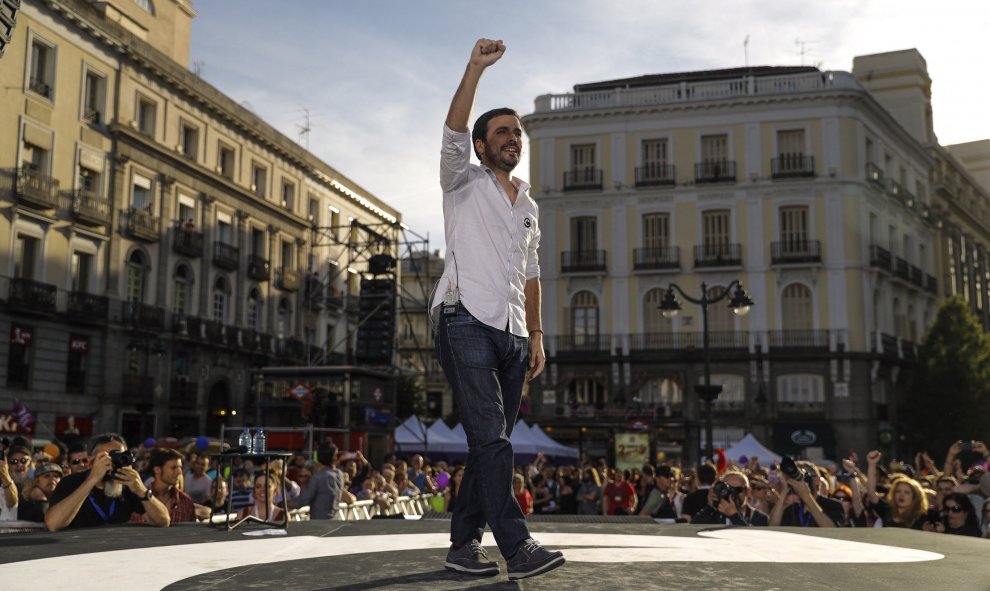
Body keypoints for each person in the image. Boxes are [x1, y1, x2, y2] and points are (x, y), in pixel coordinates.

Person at [433, 38, 561, 581]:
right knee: (491, 438)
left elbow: (533, 274)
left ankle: (463, 545)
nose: (515, 138)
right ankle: (518, 547)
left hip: (511, 333)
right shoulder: (460, 180)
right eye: (504, 131)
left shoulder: (529, 205)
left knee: (490, 445)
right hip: (464, 319)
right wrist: (473, 70)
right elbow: (454, 129)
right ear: (483, 146)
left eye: (519, 131)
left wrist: (535, 335)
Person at [45, 433, 169, 531]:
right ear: (91, 460)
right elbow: (53, 524)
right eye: (108, 457)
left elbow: (163, 521)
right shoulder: (72, 482)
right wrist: (92, 480)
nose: (114, 463)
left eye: (121, 457)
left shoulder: (126, 484)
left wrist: (142, 490)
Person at [135, 448, 196, 524]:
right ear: (157, 470)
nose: (179, 472)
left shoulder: (186, 501)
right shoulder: (138, 500)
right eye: (174, 468)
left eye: (180, 467)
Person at [692, 471, 769, 526]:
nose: (732, 494)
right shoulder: (713, 514)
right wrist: (709, 507)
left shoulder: (759, 518)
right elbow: (693, 529)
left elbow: (752, 540)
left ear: (748, 492)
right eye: (728, 490)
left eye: (737, 490)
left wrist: (734, 515)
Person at [293, 441, 343, 520]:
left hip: (319, 525)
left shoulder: (318, 478)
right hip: (335, 522)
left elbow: (300, 501)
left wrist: (281, 504)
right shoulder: (339, 475)